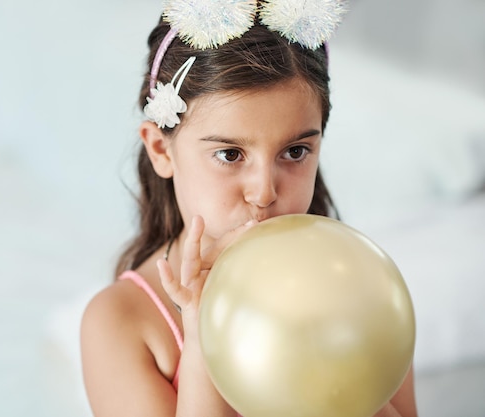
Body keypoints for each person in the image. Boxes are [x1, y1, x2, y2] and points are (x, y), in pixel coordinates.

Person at [80, 2, 418, 416]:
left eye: (295, 151)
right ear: (160, 149)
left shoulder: (364, 289)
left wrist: (340, 349)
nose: (264, 192)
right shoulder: (121, 322)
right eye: (229, 154)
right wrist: (204, 334)